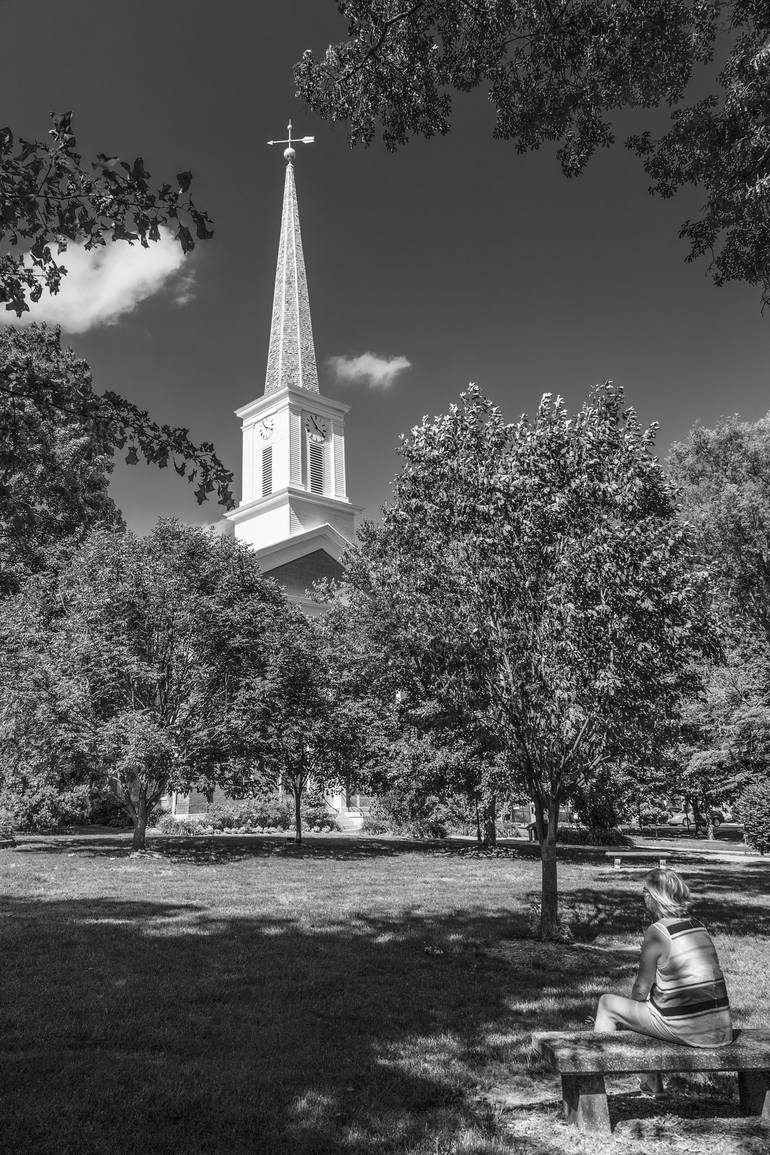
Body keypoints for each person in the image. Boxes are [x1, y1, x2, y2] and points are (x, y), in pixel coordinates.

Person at [593, 868, 733, 1096]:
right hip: (720, 1028)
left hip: (689, 1030)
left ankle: (592, 1080)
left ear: (654, 897)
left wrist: (633, 1010)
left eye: (645, 891)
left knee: (607, 1004)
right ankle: (653, 1084)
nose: (643, 896)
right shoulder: (698, 926)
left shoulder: (657, 932)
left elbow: (640, 988)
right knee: (648, 1009)